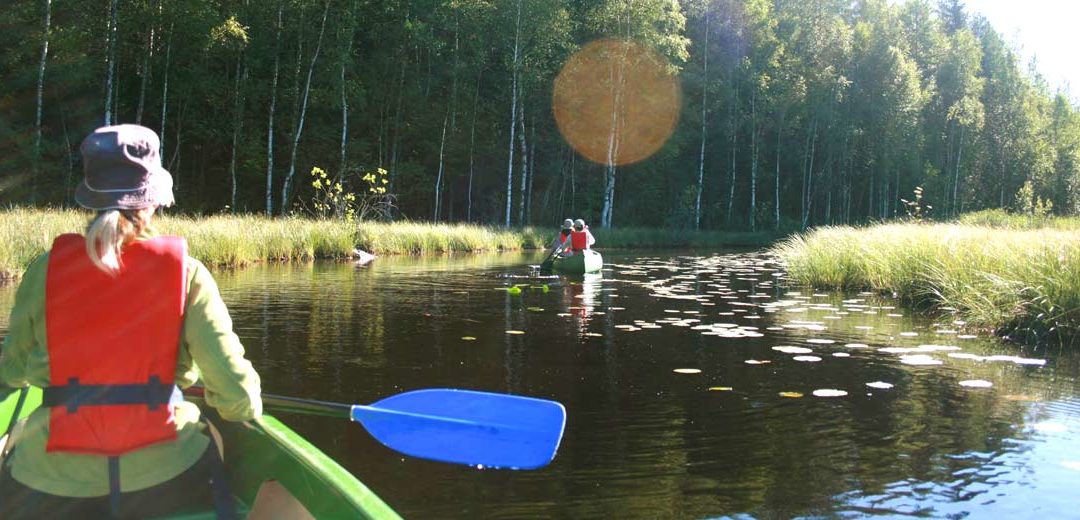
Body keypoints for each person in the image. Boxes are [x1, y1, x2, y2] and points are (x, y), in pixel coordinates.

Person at [0, 124, 262, 519]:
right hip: (165, 480)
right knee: (217, 441)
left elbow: (14, 371)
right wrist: (232, 403)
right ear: (153, 199)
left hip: (51, 488)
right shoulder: (187, 274)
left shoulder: (43, 271)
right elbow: (238, 395)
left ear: (89, 198)